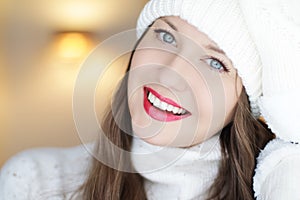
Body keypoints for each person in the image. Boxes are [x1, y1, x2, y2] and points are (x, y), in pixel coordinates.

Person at [0, 0, 277, 199]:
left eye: (215, 63)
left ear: (245, 103)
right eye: (166, 36)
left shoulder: (278, 189)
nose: (169, 76)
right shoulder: (35, 180)